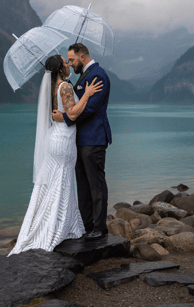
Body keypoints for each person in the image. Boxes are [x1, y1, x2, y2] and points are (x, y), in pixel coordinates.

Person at [7, 55, 102, 255]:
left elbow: (59, 113)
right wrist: (86, 94)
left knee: (53, 184)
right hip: (63, 141)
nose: (68, 65)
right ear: (60, 69)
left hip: (54, 139)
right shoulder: (65, 87)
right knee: (61, 183)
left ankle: (49, 224)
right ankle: (57, 227)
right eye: (65, 63)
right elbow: (73, 113)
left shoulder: (51, 88)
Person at [52, 43, 112, 240]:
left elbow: (91, 109)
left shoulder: (98, 75)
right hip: (79, 140)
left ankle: (99, 227)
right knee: (83, 185)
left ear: (83, 57)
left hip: (94, 138)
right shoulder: (83, 76)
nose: (70, 63)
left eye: (72, 60)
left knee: (96, 184)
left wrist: (66, 118)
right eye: (68, 61)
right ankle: (87, 226)